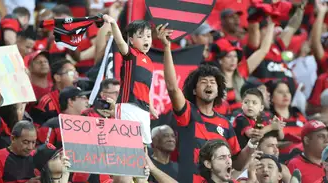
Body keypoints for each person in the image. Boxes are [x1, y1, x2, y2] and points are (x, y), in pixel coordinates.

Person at [157, 25, 255, 183]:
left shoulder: (225, 124)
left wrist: (252, 145)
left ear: (218, 90)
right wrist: (167, 47)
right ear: (194, 90)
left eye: (213, 83)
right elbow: (172, 88)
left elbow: (237, 163)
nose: (209, 85)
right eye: (203, 82)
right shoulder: (187, 113)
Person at [102, 14, 158, 145]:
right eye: (141, 36)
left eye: (148, 36)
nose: (146, 39)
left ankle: (143, 166)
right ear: (132, 40)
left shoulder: (150, 62)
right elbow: (120, 41)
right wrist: (113, 23)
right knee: (126, 144)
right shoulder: (131, 54)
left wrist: (151, 107)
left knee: (143, 144)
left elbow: (146, 88)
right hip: (128, 105)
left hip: (143, 110)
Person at [30, 60, 80, 126]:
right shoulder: (46, 103)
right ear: (57, 78)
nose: (76, 76)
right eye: (71, 73)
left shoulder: (82, 98)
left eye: (75, 72)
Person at [267, 80, 307, 160]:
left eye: (287, 92)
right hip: (283, 158)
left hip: (305, 155)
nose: (285, 95)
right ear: (271, 97)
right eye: (280, 92)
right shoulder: (269, 118)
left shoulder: (299, 115)